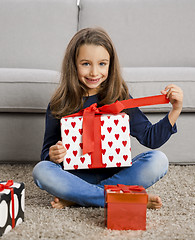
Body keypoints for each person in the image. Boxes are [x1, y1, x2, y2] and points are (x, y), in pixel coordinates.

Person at [33, 28, 183, 209]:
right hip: (75, 176)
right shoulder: (60, 103)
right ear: (73, 64)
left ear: (111, 65)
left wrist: (175, 109)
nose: (94, 72)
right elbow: (45, 155)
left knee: (158, 160)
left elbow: (150, 138)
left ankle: (80, 197)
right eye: (86, 64)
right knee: (41, 170)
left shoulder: (119, 97)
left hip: (119, 174)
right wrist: (53, 154)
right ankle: (121, 197)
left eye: (102, 64)